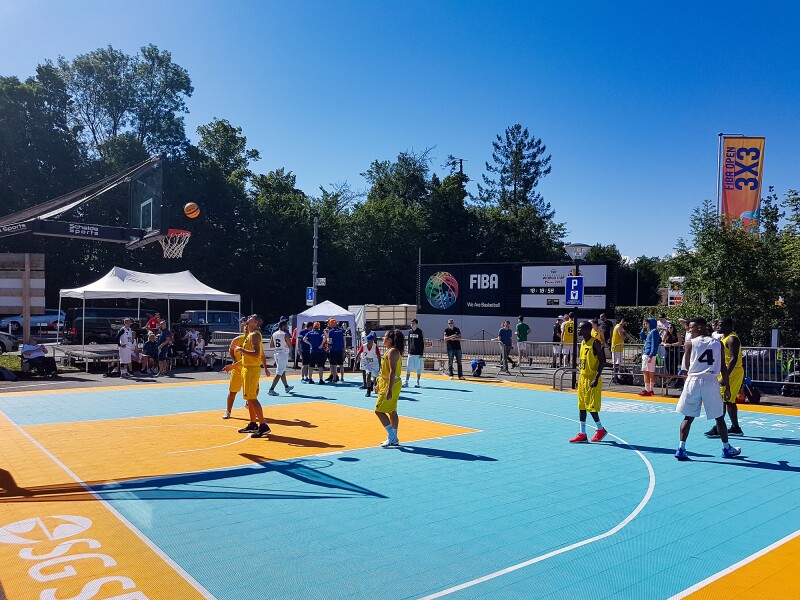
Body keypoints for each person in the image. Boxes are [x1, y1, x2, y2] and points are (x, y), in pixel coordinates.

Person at [674, 317, 742, 461]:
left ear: (699, 327)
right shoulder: (718, 343)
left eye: (691, 327)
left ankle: (681, 448)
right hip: (711, 381)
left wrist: (690, 379)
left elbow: (686, 367)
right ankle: (726, 448)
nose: (689, 330)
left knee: (688, 417)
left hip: (693, 380)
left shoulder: (689, 343)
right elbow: (723, 366)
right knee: (719, 417)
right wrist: (727, 385)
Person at [568, 321, 608, 443]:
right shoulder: (582, 343)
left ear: (587, 330)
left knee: (591, 407)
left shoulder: (595, 343)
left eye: (580, 328)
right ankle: (582, 433)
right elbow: (582, 362)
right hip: (583, 378)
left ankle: (601, 429)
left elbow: (602, 361)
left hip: (592, 378)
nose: (578, 330)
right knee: (581, 406)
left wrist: (596, 378)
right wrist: (579, 378)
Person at [705, 317, 745, 437]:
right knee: (729, 400)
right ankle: (735, 427)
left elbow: (733, 359)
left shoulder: (732, 339)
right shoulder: (724, 337)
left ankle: (719, 427)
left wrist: (725, 376)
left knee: (722, 400)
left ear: (728, 326)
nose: (718, 327)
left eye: (720, 325)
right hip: (726, 371)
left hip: (732, 372)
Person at [222, 320, 269, 419]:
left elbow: (259, 355)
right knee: (233, 392)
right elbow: (231, 349)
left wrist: (265, 368)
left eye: (248, 325)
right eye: (245, 326)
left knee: (253, 394)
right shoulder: (239, 339)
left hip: (249, 368)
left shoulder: (254, 337)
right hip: (240, 369)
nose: (246, 327)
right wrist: (234, 360)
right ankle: (228, 411)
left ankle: (256, 418)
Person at [234, 315, 272, 438]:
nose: (248, 318)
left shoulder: (255, 335)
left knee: (252, 398)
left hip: (252, 369)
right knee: (249, 398)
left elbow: (257, 354)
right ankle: (253, 423)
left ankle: (263, 426)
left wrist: (241, 350)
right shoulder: (250, 334)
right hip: (247, 368)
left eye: (251, 317)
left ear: (255, 323)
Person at [374, 329, 405, 447]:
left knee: (379, 411)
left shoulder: (392, 351)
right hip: (386, 382)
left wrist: (389, 390)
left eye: (385, 337)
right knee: (392, 411)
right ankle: (394, 438)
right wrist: (378, 383)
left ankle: (392, 436)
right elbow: (385, 371)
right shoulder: (390, 351)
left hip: (391, 383)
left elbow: (392, 372)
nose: (383, 338)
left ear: (391, 339)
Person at [268, 320, 295, 396]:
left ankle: (286, 386)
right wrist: (287, 346)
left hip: (276, 353)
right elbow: (290, 345)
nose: (286, 327)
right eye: (285, 326)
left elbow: (271, 345)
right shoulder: (285, 334)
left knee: (282, 370)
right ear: (283, 326)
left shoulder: (274, 334)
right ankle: (271, 389)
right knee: (279, 372)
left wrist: (279, 346)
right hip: (283, 353)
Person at [639, 318, 660, 396]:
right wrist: (643, 329)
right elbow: (642, 337)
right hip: (648, 354)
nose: (646, 325)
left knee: (647, 372)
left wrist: (651, 355)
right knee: (649, 372)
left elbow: (654, 345)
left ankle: (648, 389)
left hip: (648, 354)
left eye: (647, 323)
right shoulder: (652, 332)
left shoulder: (653, 332)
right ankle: (650, 389)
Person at [610, 317, 635, 383]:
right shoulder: (618, 327)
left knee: (618, 363)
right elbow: (623, 337)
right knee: (616, 363)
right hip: (616, 348)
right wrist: (626, 335)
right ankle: (614, 377)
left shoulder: (619, 327)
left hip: (619, 348)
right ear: (624, 322)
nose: (626, 324)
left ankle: (616, 376)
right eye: (626, 323)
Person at [404, 319, 424, 388]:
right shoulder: (410, 332)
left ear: (416, 324)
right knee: (408, 367)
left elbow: (422, 343)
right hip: (411, 353)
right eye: (411, 323)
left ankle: (417, 382)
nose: (412, 324)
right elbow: (409, 342)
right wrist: (408, 350)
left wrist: (421, 353)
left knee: (418, 368)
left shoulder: (420, 332)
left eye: (413, 323)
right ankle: (406, 382)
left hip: (418, 353)